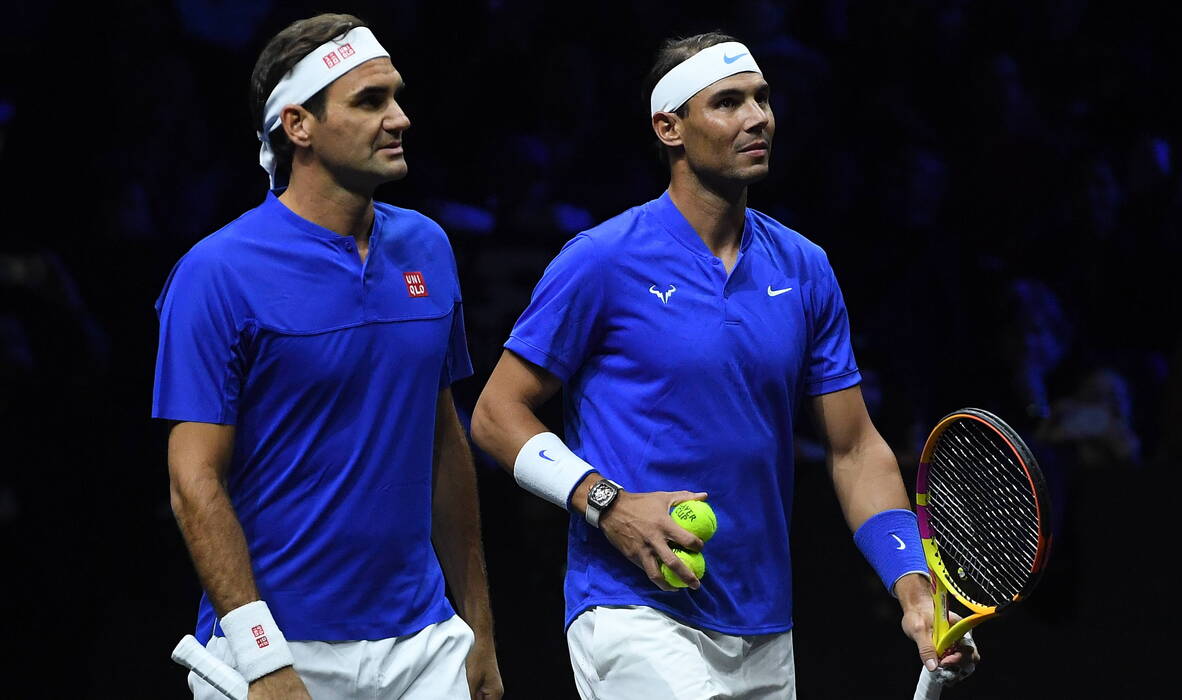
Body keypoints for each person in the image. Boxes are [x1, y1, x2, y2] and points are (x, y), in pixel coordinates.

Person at [471, 33, 976, 697]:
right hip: (633, 613)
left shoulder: (805, 268)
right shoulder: (602, 260)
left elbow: (855, 451)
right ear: (669, 127)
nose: (757, 117)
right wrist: (607, 504)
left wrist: (914, 592)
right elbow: (495, 413)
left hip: (764, 627)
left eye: (763, 99)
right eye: (729, 102)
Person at [152, 13, 502, 699]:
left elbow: (442, 442)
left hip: (425, 643)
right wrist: (263, 660)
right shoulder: (216, 272)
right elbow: (193, 483)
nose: (399, 118)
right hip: (277, 647)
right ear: (298, 126)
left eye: (397, 96)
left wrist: (479, 627)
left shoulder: (428, 247)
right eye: (370, 102)